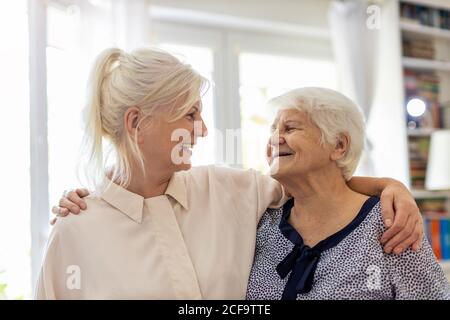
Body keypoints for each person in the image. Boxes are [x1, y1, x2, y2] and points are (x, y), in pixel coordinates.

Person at [40, 47, 423, 299]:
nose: (203, 129)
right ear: (137, 122)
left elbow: (318, 183)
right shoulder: (75, 229)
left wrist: (391, 187)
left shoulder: (230, 189)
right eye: (190, 114)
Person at [246, 87, 450, 300]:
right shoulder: (262, 220)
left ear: (339, 145)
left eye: (290, 128)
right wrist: (387, 184)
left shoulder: (391, 222)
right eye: (273, 130)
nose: (274, 139)